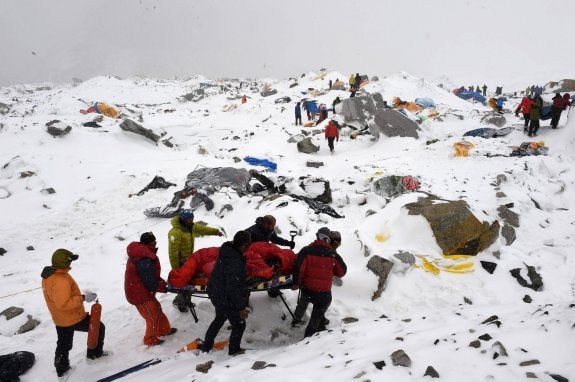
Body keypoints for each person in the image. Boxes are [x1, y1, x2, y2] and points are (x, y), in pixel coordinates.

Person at [41, 249, 107, 378]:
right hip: (72, 317)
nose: (71, 264)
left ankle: (62, 370)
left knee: (63, 345)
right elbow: (63, 303)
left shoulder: (50, 275)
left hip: (60, 318)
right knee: (98, 327)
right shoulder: (60, 280)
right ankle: (94, 354)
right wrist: (82, 298)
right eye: (69, 261)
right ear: (63, 263)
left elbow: (59, 298)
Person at [200, 231, 252, 356]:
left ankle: (207, 346)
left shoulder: (228, 250)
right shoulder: (235, 260)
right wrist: (241, 307)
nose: (249, 247)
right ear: (243, 245)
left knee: (220, 318)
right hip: (223, 294)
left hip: (216, 291)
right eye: (248, 245)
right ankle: (234, 350)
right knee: (239, 323)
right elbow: (232, 287)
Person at [292, 228, 347, 338]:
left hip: (307, 290)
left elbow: (298, 268)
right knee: (316, 317)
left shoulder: (306, 250)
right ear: (327, 239)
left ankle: (299, 321)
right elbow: (342, 271)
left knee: (305, 300)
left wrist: (296, 283)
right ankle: (308, 340)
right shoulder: (332, 254)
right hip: (323, 293)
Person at [125, 232, 176, 346]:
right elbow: (150, 280)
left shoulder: (142, 253)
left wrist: (162, 283)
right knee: (152, 316)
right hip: (138, 293)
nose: (156, 242)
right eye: (154, 241)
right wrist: (163, 287)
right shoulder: (144, 258)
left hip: (141, 289)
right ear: (149, 243)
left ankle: (163, 330)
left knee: (157, 309)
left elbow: (151, 276)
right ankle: (150, 339)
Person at [169, 209, 224, 312]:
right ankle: (180, 303)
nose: (191, 221)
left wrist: (216, 232)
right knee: (183, 282)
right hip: (180, 262)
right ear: (183, 219)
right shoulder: (175, 232)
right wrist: (176, 269)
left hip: (189, 260)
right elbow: (173, 252)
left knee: (189, 282)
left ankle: (186, 300)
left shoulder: (191, 227)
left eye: (192, 218)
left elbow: (203, 229)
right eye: (189, 219)